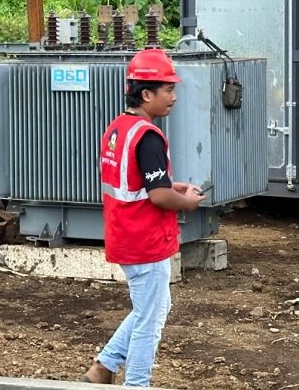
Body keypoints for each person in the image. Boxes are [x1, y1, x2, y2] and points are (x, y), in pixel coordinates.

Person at [82, 48, 205, 386]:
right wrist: (187, 202)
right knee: (149, 321)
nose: (174, 97)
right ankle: (137, 384)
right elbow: (158, 196)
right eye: (168, 90)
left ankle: (103, 367)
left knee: (152, 308)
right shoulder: (147, 136)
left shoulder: (119, 129)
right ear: (146, 94)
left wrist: (171, 184)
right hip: (146, 240)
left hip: (125, 234)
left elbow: (136, 181)